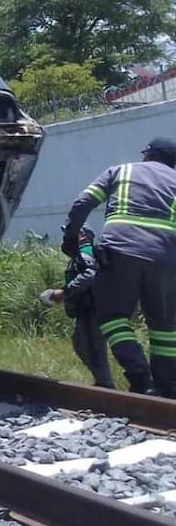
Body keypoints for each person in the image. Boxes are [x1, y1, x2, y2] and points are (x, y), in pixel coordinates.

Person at [61, 137, 176, 397]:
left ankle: (139, 376)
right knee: (165, 327)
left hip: (120, 253)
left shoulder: (121, 171)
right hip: (166, 260)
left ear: (148, 155)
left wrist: (71, 238)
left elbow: (83, 203)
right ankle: (167, 388)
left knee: (113, 317)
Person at [40, 224, 115, 389]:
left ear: (82, 235)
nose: (67, 237)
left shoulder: (85, 253)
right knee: (83, 345)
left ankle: (106, 385)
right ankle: (102, 381)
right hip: (87, 308)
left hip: (94, 308)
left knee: (95, 347)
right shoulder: (81, 254)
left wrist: (65, 291)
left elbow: (90, 275)